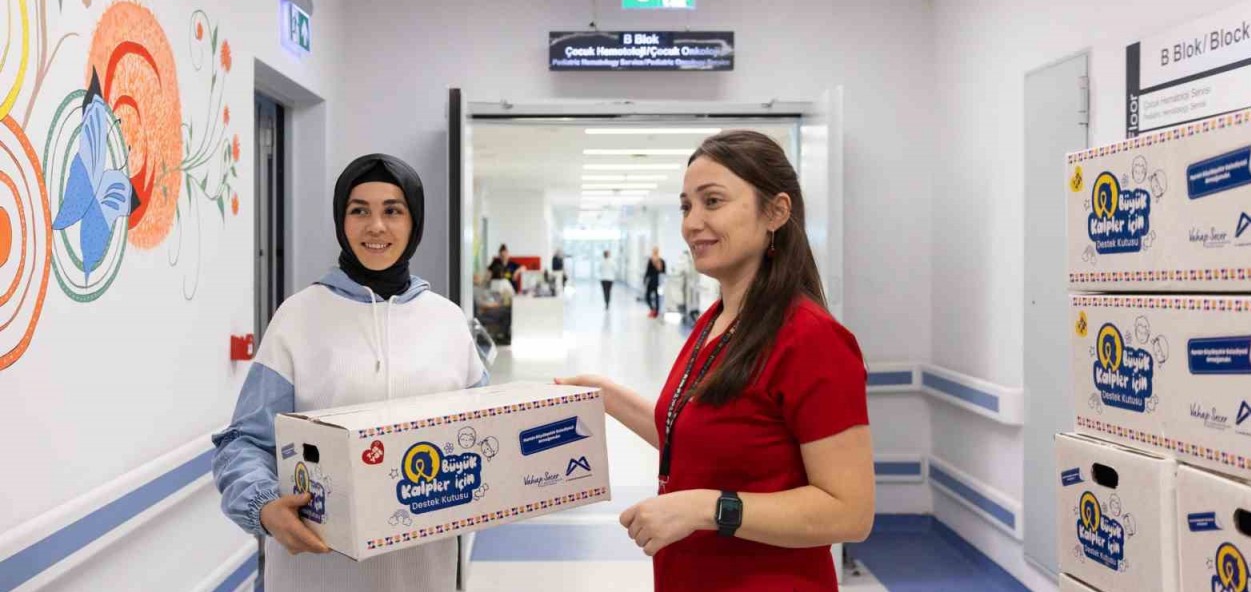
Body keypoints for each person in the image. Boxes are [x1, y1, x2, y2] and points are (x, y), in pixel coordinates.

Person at [557, 131, 873, 592]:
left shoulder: (811, 339)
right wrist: (603, 395)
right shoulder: (716, 321)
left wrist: (706, 509)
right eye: (686, 207)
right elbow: (696, 437)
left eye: (713, 201)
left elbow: (850, 511)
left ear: (775, 212)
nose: (692, 223)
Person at [212, 154, 488, 592]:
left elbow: (485, 434)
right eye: (359, 210)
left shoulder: (448, 322)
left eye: (392, 211)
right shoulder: (298, 317)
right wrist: (265, 508)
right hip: (315, 575)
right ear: (342, 221)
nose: (375, 226)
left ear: (414, 222)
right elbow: (244, 442)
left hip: (422, 575)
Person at [644, 247, 666, 319]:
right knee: (656, 297)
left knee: (650, 297)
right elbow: (663, 273)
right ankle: (655, 311)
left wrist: (645, 279)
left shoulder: (654, 261)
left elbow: (648, 272)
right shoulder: (660, 261)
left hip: (654, 282)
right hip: (657, 282)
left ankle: (654, 310)